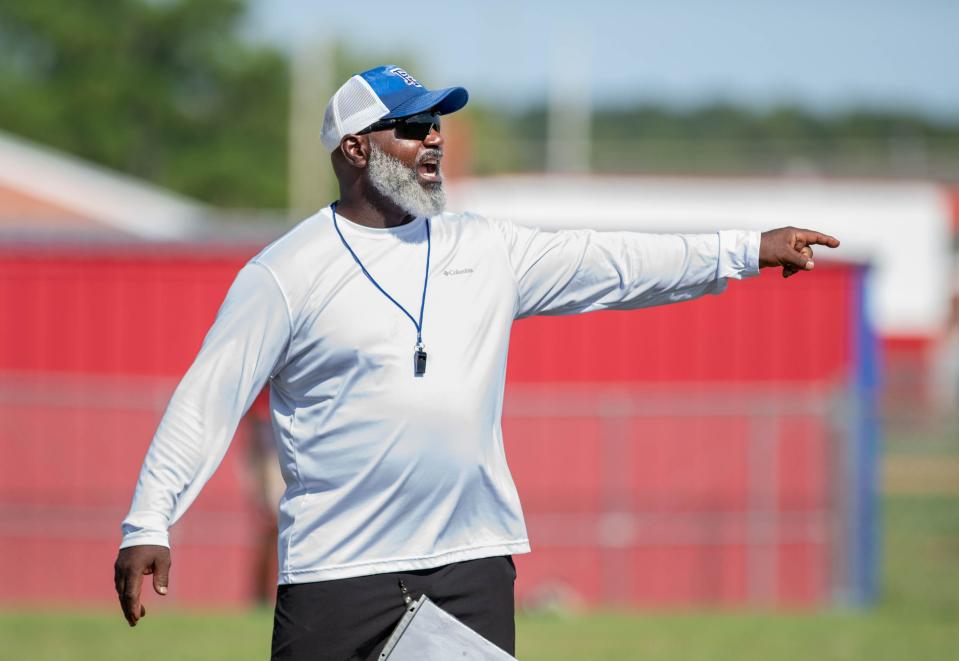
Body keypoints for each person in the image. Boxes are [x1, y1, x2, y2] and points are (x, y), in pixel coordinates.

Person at [113, 64, 840, 660]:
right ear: (355, 148)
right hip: (337, 574)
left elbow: (614, 261)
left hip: (469, 563)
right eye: (412, 127)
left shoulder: (485, 247)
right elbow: (208, 397)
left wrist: (743, 249)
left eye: (438, 124)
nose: (433, 139)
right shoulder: (285, 272)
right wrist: (149, 519)